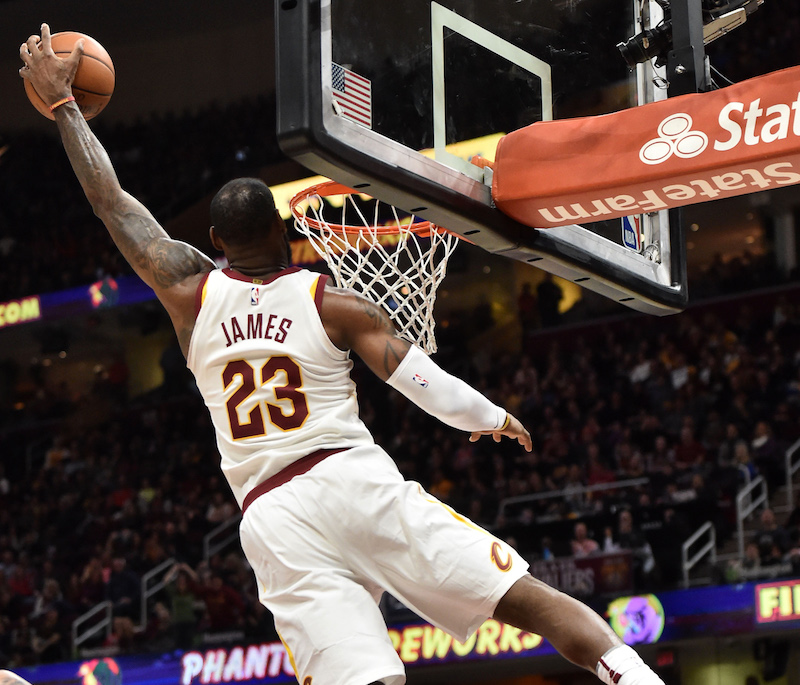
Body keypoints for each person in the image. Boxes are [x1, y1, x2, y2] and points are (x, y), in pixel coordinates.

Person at [20, 25, 664, 685]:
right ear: (281, 230)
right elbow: (422, 381)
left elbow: (112, 204)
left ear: (214, 239)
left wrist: (66, 108)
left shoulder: (189, 293)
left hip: (272, 515)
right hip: (353, 482)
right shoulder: (334, 304)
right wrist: (490, 416)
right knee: (529, 601)